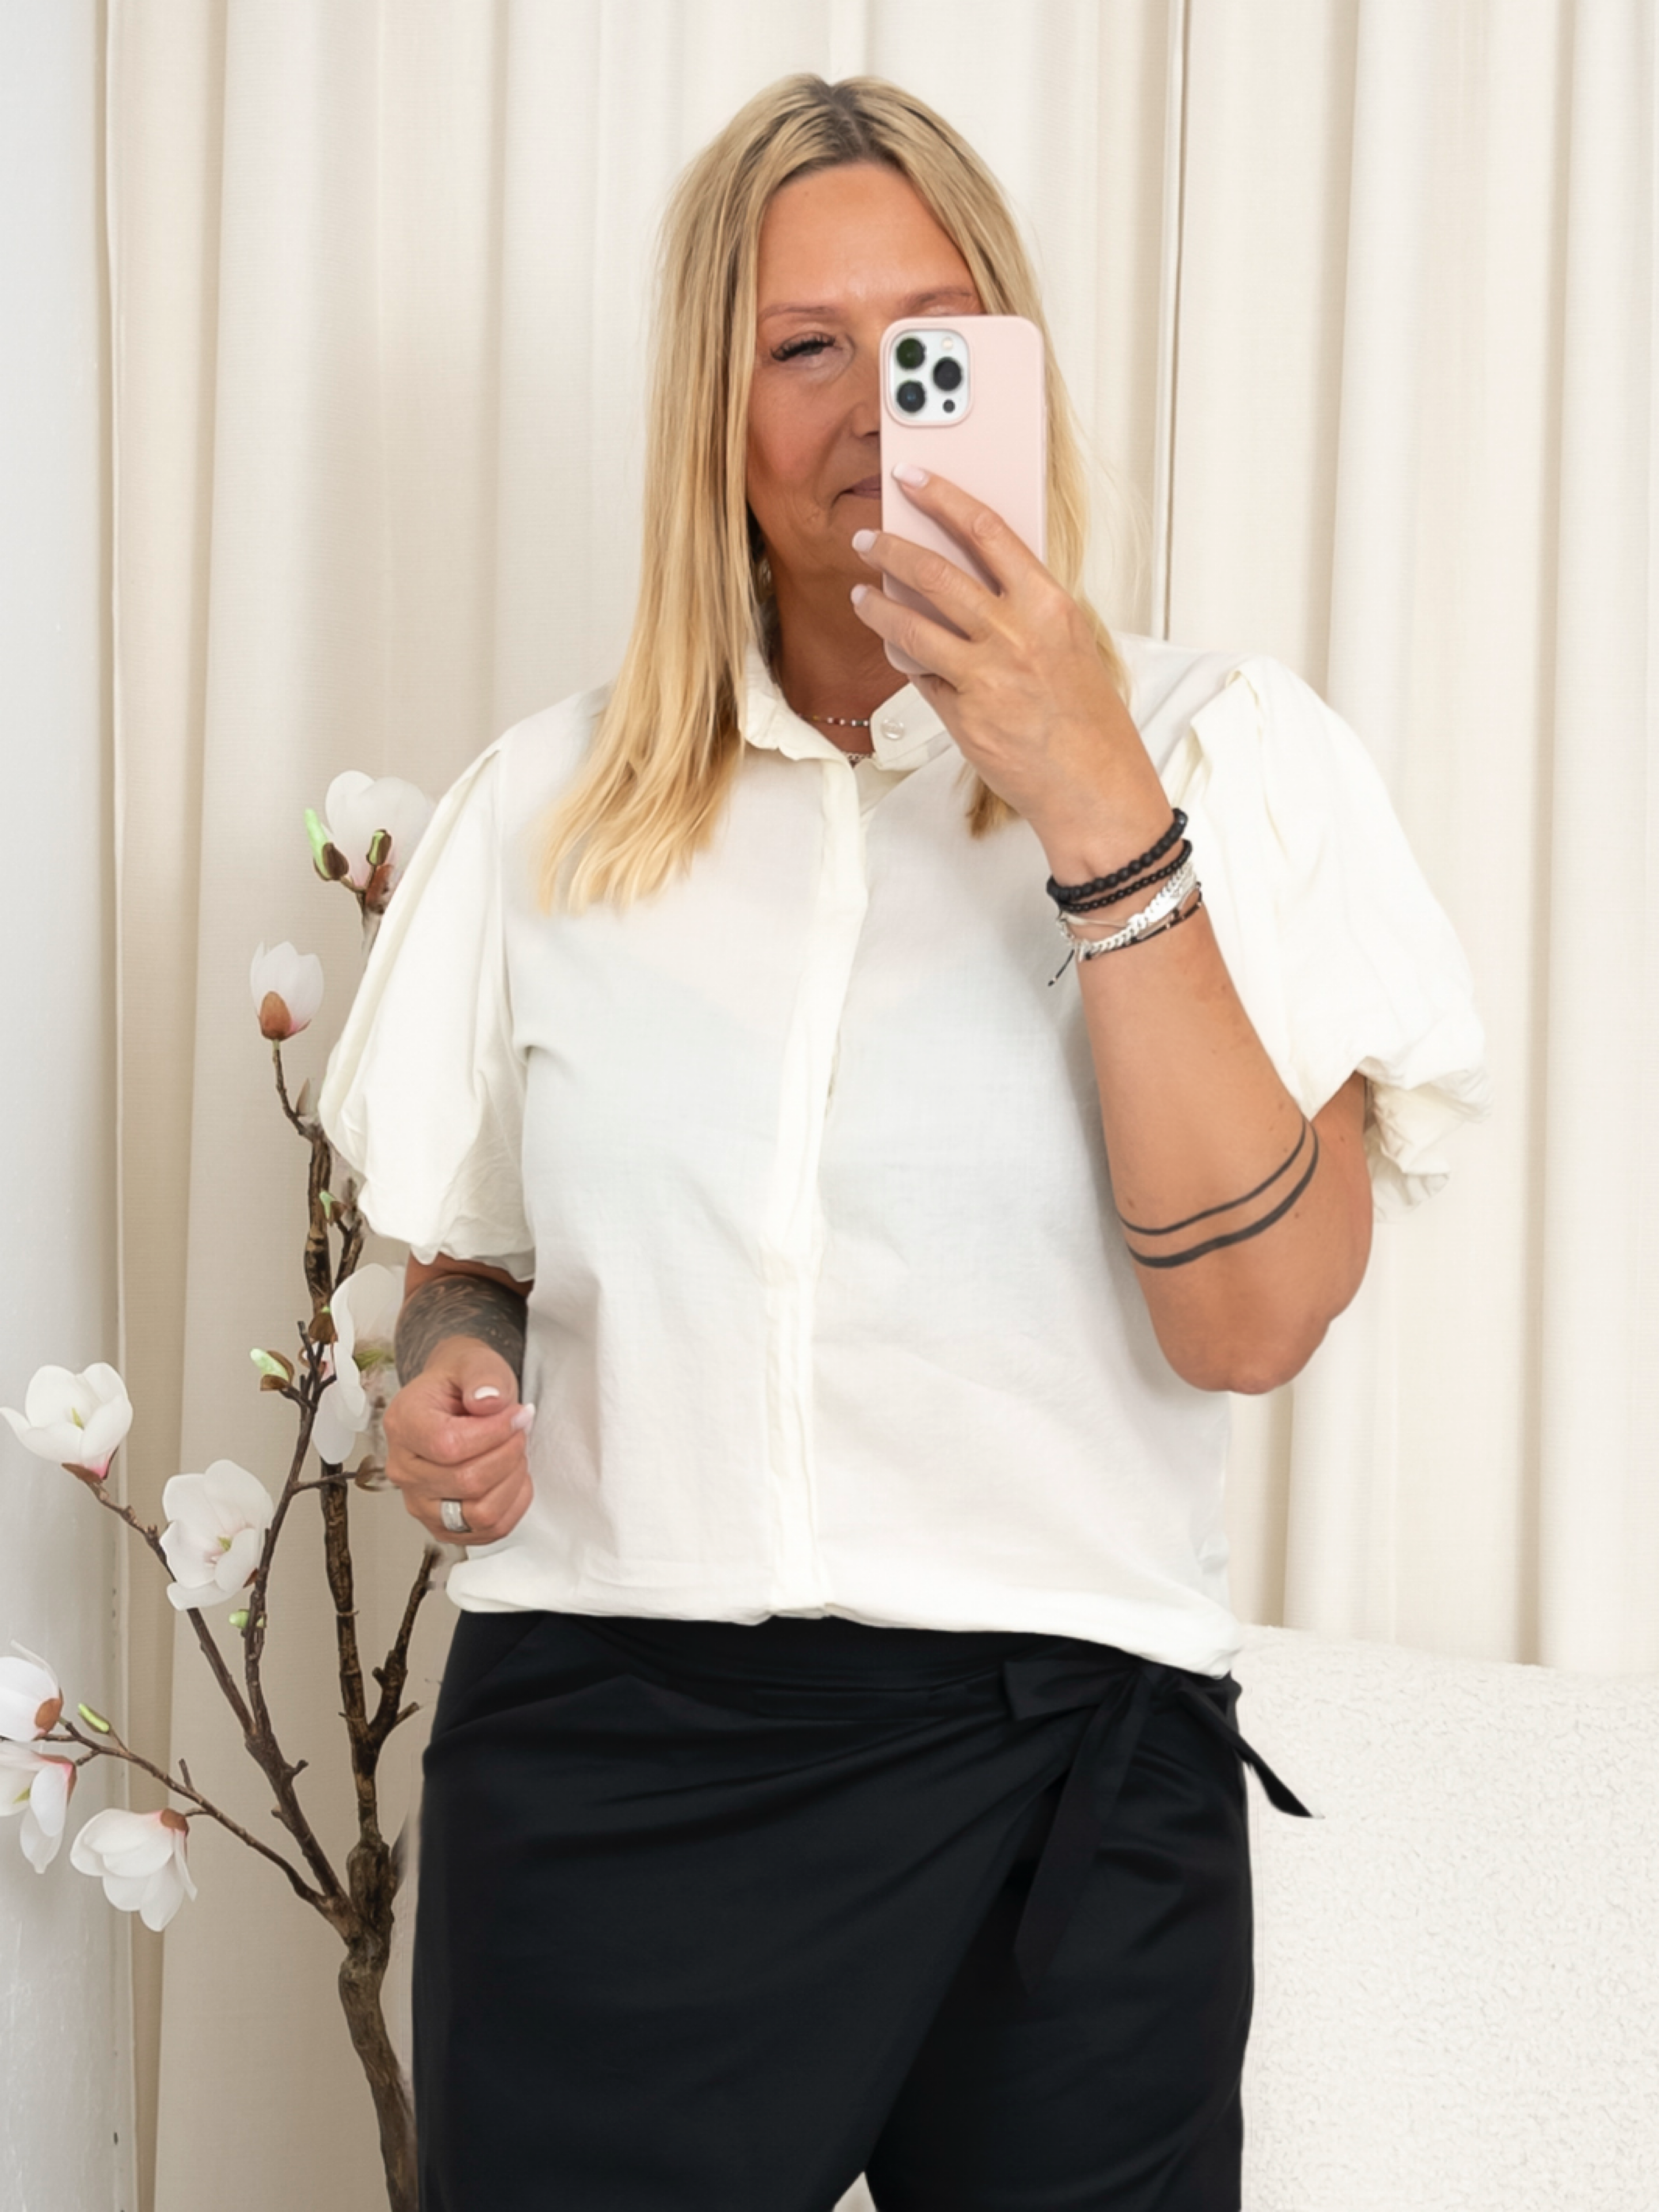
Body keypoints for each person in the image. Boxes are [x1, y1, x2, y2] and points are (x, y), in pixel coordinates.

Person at [320, 73, 1486, 2212]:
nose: (875, 407)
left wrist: (1094, 798)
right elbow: (471, 1260)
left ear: (1015, 366)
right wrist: (450, 1378)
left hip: (1074, 1776)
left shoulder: (1230, 754)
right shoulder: (549, 809)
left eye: (933, 341)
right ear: (713, 413)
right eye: (803, 347)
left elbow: (1252, 1320)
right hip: (614, 1759)